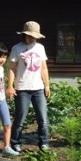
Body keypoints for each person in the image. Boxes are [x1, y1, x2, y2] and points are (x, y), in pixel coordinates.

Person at [6, 21, 51, 152]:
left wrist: (47, 85)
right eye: (29, 36)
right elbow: (12, 68)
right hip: (22, 88)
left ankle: (44, 143)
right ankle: (15, 142)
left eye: (34, 36)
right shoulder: (17, 48)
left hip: (38, 88)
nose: (31, 38)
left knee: (43, 117)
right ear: (24, 35)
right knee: (20, 117)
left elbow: (43, 68)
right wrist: (10, 86)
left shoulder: (40, 48)